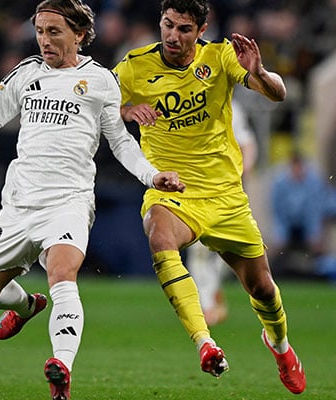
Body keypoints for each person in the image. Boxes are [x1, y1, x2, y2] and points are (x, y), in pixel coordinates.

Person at [0, 1, 184, 399]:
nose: (44, 40)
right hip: (20, 202)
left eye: (54, 31)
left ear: (79, 34)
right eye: (40, 31)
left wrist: (152, 175)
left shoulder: (99, 80)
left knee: (63, 272)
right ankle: (28, 306)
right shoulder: (25, 74)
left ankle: (61, 366)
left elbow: (119, 142)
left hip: (69, 199)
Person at [112, 0, 306, 394]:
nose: (172, 36)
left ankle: (280, 344)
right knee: (160, 237)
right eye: (167, 25)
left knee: (263, 288)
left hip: (225, 195)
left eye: (184, 29)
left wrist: (260, 73)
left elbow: (279, 94)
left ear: (201, 30)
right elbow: (94, 105)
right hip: (173, 190)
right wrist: (126, 110)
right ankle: (205, 343)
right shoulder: (133, 66)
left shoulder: (220, 57)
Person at [186, 98, 258, 325]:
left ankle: (211, 294)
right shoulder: (191, 100)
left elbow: (247, 142)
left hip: (226, 190)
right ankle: (206, 304)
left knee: (226, 248)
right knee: (198, 248)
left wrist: (243, 171)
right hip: (199, 188)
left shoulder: (231, 106)